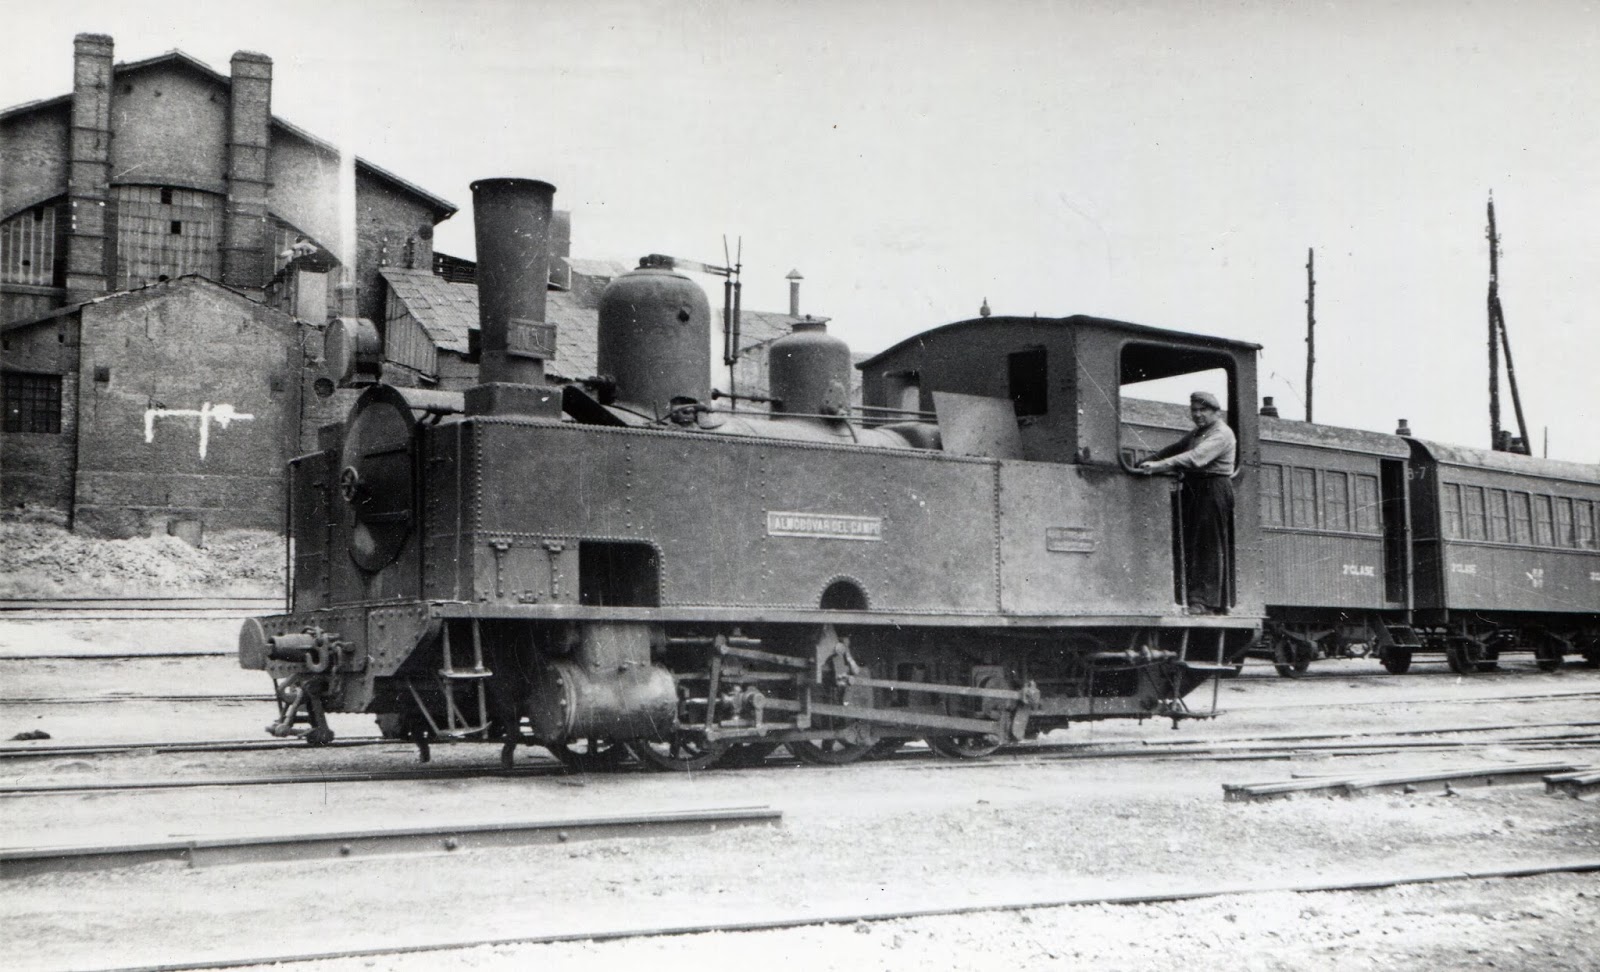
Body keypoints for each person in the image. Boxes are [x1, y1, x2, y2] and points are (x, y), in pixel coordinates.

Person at [1137, 391, 1236, 615]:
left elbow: (1195, 457)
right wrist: (1145, 461)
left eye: (1203, 410)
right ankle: (1193, 597)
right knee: (1190, 542)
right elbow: (1175, 449)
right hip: (1195, 487)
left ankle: (1205, 603)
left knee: (1207, 545)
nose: (1198, 415)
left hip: (1213, 488)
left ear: (1215, 412)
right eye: (1194, 410)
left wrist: (1160, 466)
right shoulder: (1198, 433)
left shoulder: (1221, 434)